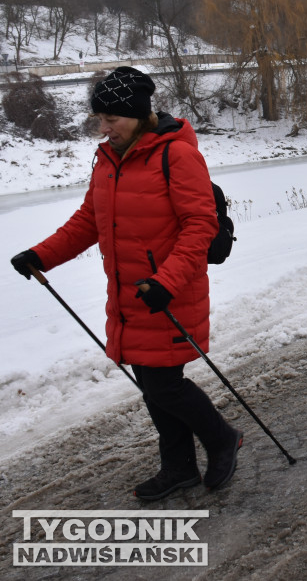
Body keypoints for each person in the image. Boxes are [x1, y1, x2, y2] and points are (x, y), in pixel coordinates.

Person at [9, 67, 242, 501]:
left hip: (169, 292)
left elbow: (199, 226)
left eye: (111, 119)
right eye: (100, 119)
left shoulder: (177, 155)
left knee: (164, 385)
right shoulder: (108, 160)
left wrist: (166, 281)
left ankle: (222, 439)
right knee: (152, 386)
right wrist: (41, 255)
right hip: (129, 294)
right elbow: (88, 221)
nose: (104, 128)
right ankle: (179, 466)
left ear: (136, 115)